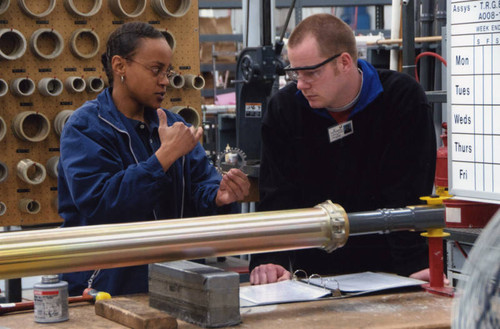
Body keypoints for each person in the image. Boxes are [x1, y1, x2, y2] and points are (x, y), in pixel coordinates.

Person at [58, 22, 250, 296]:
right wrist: (163, 157)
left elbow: (199, 186)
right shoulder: (86, 127)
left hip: (175, 279)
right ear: (120, 66)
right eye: (156, 70)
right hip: (106, 285)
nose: (164, 80)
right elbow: (101, 203)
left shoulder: (174, 125)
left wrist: (218, 196)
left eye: (168, 71)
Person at [250, 14, 437, 285]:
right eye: (295, 73)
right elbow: (277, 196)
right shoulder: (285, 109)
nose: (301, 84)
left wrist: (413, 269)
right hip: (312, 276)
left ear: (344, 63)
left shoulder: (401, 100)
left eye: (311, 72)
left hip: (391, 271)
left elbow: (406, 196)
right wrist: (270, 260)